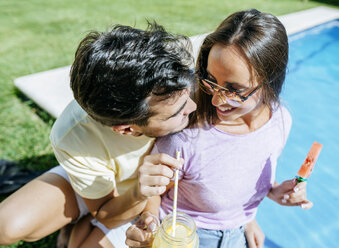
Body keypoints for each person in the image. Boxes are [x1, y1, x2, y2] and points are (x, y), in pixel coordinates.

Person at [126, 9, 313, 248]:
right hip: (188, 237)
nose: (215, 101)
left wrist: (270, 197)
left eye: (234, 89)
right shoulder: (186, 138)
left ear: (269, 82)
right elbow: (154, 193)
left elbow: (241, 175)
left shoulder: (281, 120)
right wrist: (148, 226)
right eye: (211, 80)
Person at [0, 23, 197, 248]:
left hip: (154, 197)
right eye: (176, 113)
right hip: (120, 194)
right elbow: (106, 213)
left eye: (187, 95)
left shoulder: (176, 80)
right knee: (6, 227)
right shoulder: (72, 136)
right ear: (126, 129)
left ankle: (78, 228)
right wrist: (138, 194)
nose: (192, 107)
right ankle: (81, 209)